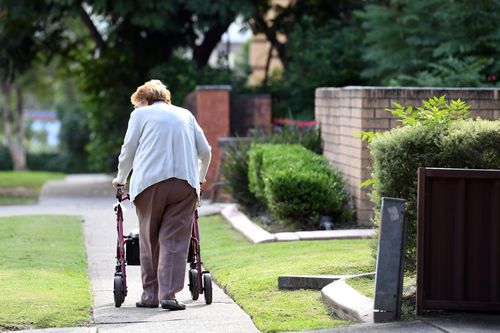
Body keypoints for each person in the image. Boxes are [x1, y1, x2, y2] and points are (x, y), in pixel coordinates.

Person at [112, 79, 211, 311]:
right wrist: (200, 177)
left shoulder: (140, 115)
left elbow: (128, 150)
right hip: (185, 184)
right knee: (175, 241)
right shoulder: (186, 114)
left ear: (144, 100)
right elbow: (205, 150)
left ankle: (150, 296)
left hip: (149, 183)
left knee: (150, 238)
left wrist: (120, 179)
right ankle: (169, 295)